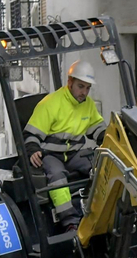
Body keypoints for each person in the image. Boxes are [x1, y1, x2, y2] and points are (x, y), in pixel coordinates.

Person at [25, 60, 107, 230]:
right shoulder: (50, 104)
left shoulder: (88, 105)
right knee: (57, 176)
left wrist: (112, 139)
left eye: (87, 88)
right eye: (80, 86)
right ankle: (70, 222)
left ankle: (103, 211)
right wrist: (33, 150)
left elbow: (97, 130)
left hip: (75, 153)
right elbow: (31, 134)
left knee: (101, 166)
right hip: (51, 154)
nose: (84, 92)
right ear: (70, 82)